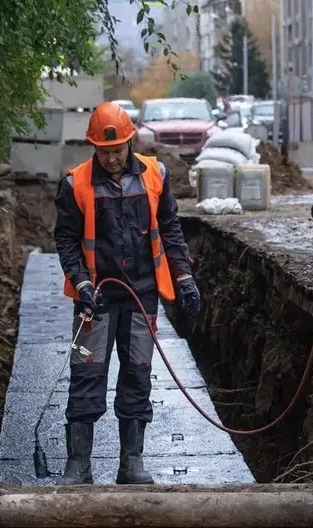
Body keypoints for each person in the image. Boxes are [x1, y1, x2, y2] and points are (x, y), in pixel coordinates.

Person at [53, 102, 201, 485]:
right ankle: (78, 464)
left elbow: (170, 229)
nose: (113, 158)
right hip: (95, 299)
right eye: (105, 152)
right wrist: (82, 283)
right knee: (86, 374)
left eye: (118, 150)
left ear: (130, 142)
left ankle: (131, 462)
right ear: (93, 148)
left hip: (142, 295)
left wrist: (184, 278)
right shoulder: (76, 183)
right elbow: (67, 239)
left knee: (137, 373)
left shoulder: (155, 174)